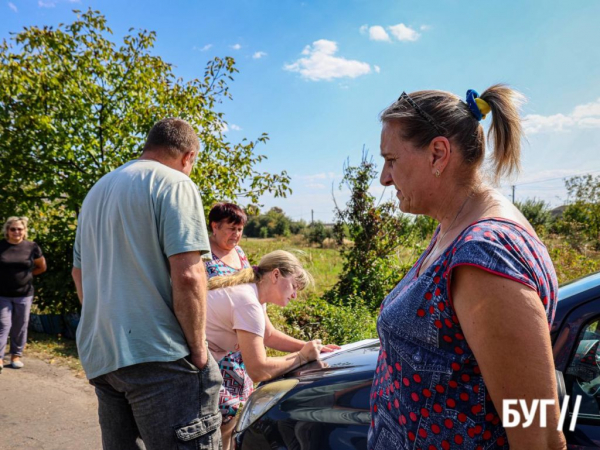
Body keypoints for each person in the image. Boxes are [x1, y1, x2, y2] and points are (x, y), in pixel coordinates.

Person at [370, 86, 566, 449]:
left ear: (438, 153)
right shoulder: (455, 228)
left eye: (392, 159)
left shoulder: (485, 256)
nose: (384, 177)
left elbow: (538, 430)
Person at [72, 118, 222, 450]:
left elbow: (78, 274)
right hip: (160, 358)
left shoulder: (97, 192)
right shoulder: (175, 183)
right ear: (188, 157)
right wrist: (198, 351)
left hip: (103, 356)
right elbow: (188, 274)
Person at [206, 250, 339, 450]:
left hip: (196, 360)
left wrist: (307, 347)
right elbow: (258, 369)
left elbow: (269, 335)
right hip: (183, 364)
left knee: (224, 422)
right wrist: (302, 357)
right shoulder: (248, 302)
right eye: (294, 286)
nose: (294, 295)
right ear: (275, 275)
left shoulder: (254, 295)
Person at [0, 216, 47, 372]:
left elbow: (41, 266)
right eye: (13, 229)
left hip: (24, 294)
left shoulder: (31, 247)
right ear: (7, 230)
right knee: (3, 325)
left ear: (24, 231)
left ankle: (16, 356)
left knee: (20, 326)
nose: (16, 232)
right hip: (3, 294)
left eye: (19, 229)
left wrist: (28, 276)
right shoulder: (1, 246)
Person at [205, 202, 251, 278]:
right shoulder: (203, 254)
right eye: (232, 228)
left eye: (239, 229)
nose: (236, 234)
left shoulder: (239, 251)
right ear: (215, 226)